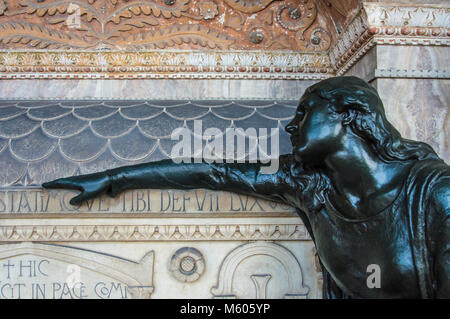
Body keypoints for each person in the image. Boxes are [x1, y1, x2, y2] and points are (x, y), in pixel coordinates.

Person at [43, 76, 449, 298]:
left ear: (349, 116)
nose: (291, 125)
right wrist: (115, 179)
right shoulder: (307, 184)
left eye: (305, 111)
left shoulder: (436, 195)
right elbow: (212, 172)